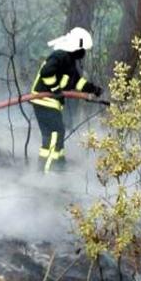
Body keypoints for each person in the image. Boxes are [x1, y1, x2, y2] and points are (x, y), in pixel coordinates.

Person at [30, 27, 103, 173]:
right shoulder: (60, 55)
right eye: (83, 49)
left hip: (50, 103)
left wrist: (93, 89)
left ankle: (59, 167)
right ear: (77, 46)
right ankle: (44, 173)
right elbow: (46, 73)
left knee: (59, 133)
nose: (84, 53)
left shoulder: (68, 61)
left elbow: (76, 82)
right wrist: (56, 90)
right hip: (44, 101)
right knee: (54, 134)